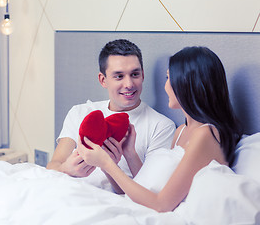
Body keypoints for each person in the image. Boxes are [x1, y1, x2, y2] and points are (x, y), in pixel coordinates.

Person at [77, 46, 243, 212]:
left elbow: (161, 204)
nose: (165, 86)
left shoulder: (206, 134)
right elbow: (154, 186)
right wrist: (130, 153)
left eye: (168, 78)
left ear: (185, 83)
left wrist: (106, 163)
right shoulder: (181, 132)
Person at [47, 39, 176, 193]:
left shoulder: (161, 126)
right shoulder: (80, 112)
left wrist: (116, 161)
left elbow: (150, 191)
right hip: (70, 195)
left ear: (142, 75)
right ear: (103, 80)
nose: (129, 84)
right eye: (119, 76)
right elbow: (53, 166)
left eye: (134, 74)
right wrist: (67, 168)